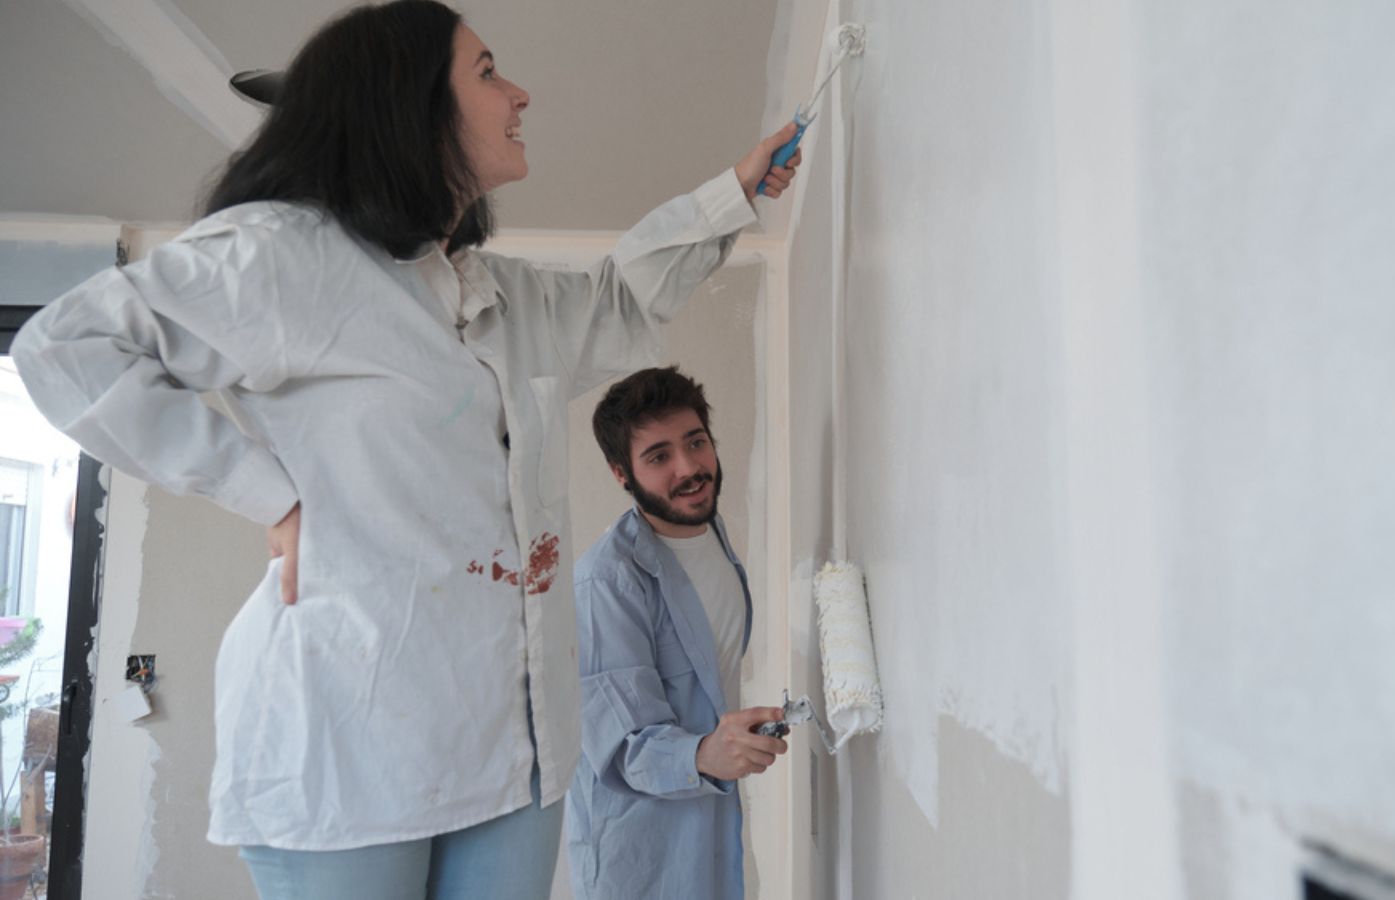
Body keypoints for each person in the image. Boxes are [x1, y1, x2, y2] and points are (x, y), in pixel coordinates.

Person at [9, 2, 801, 898]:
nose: (520, 92)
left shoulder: (488, 291)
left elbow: (618, 304)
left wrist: (731, 194)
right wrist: (263, 491)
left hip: (519, 748)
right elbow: (67, 348)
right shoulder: (290, 255)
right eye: (490, 70)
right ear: (409, 105)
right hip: (351, 751)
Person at [566, 366, 787, 899]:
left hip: (708, 827)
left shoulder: (710, 530)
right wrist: (705, 754)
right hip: (640, 852)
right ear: (622, 474)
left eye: (696, 442)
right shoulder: (607, 582)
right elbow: (621, 746)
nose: (689, 468)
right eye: (659, 456)